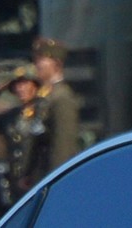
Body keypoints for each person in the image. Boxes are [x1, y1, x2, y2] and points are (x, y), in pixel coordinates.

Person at [0, 64, 46, 211]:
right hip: (16, 184)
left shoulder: (44, 110)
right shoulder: (12, 115)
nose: (20, 88)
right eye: (17, 85)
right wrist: (0, 88)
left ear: (35, 85)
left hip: (38, 179)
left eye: (25, 83)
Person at [31, 37, 80, 173]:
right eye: (36, 60)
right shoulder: (46, 96)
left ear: (56, 64)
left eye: (41, 60)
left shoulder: (62, 97)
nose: (37, 65)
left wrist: (57, 176)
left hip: (53, 172)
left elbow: (63, 145)